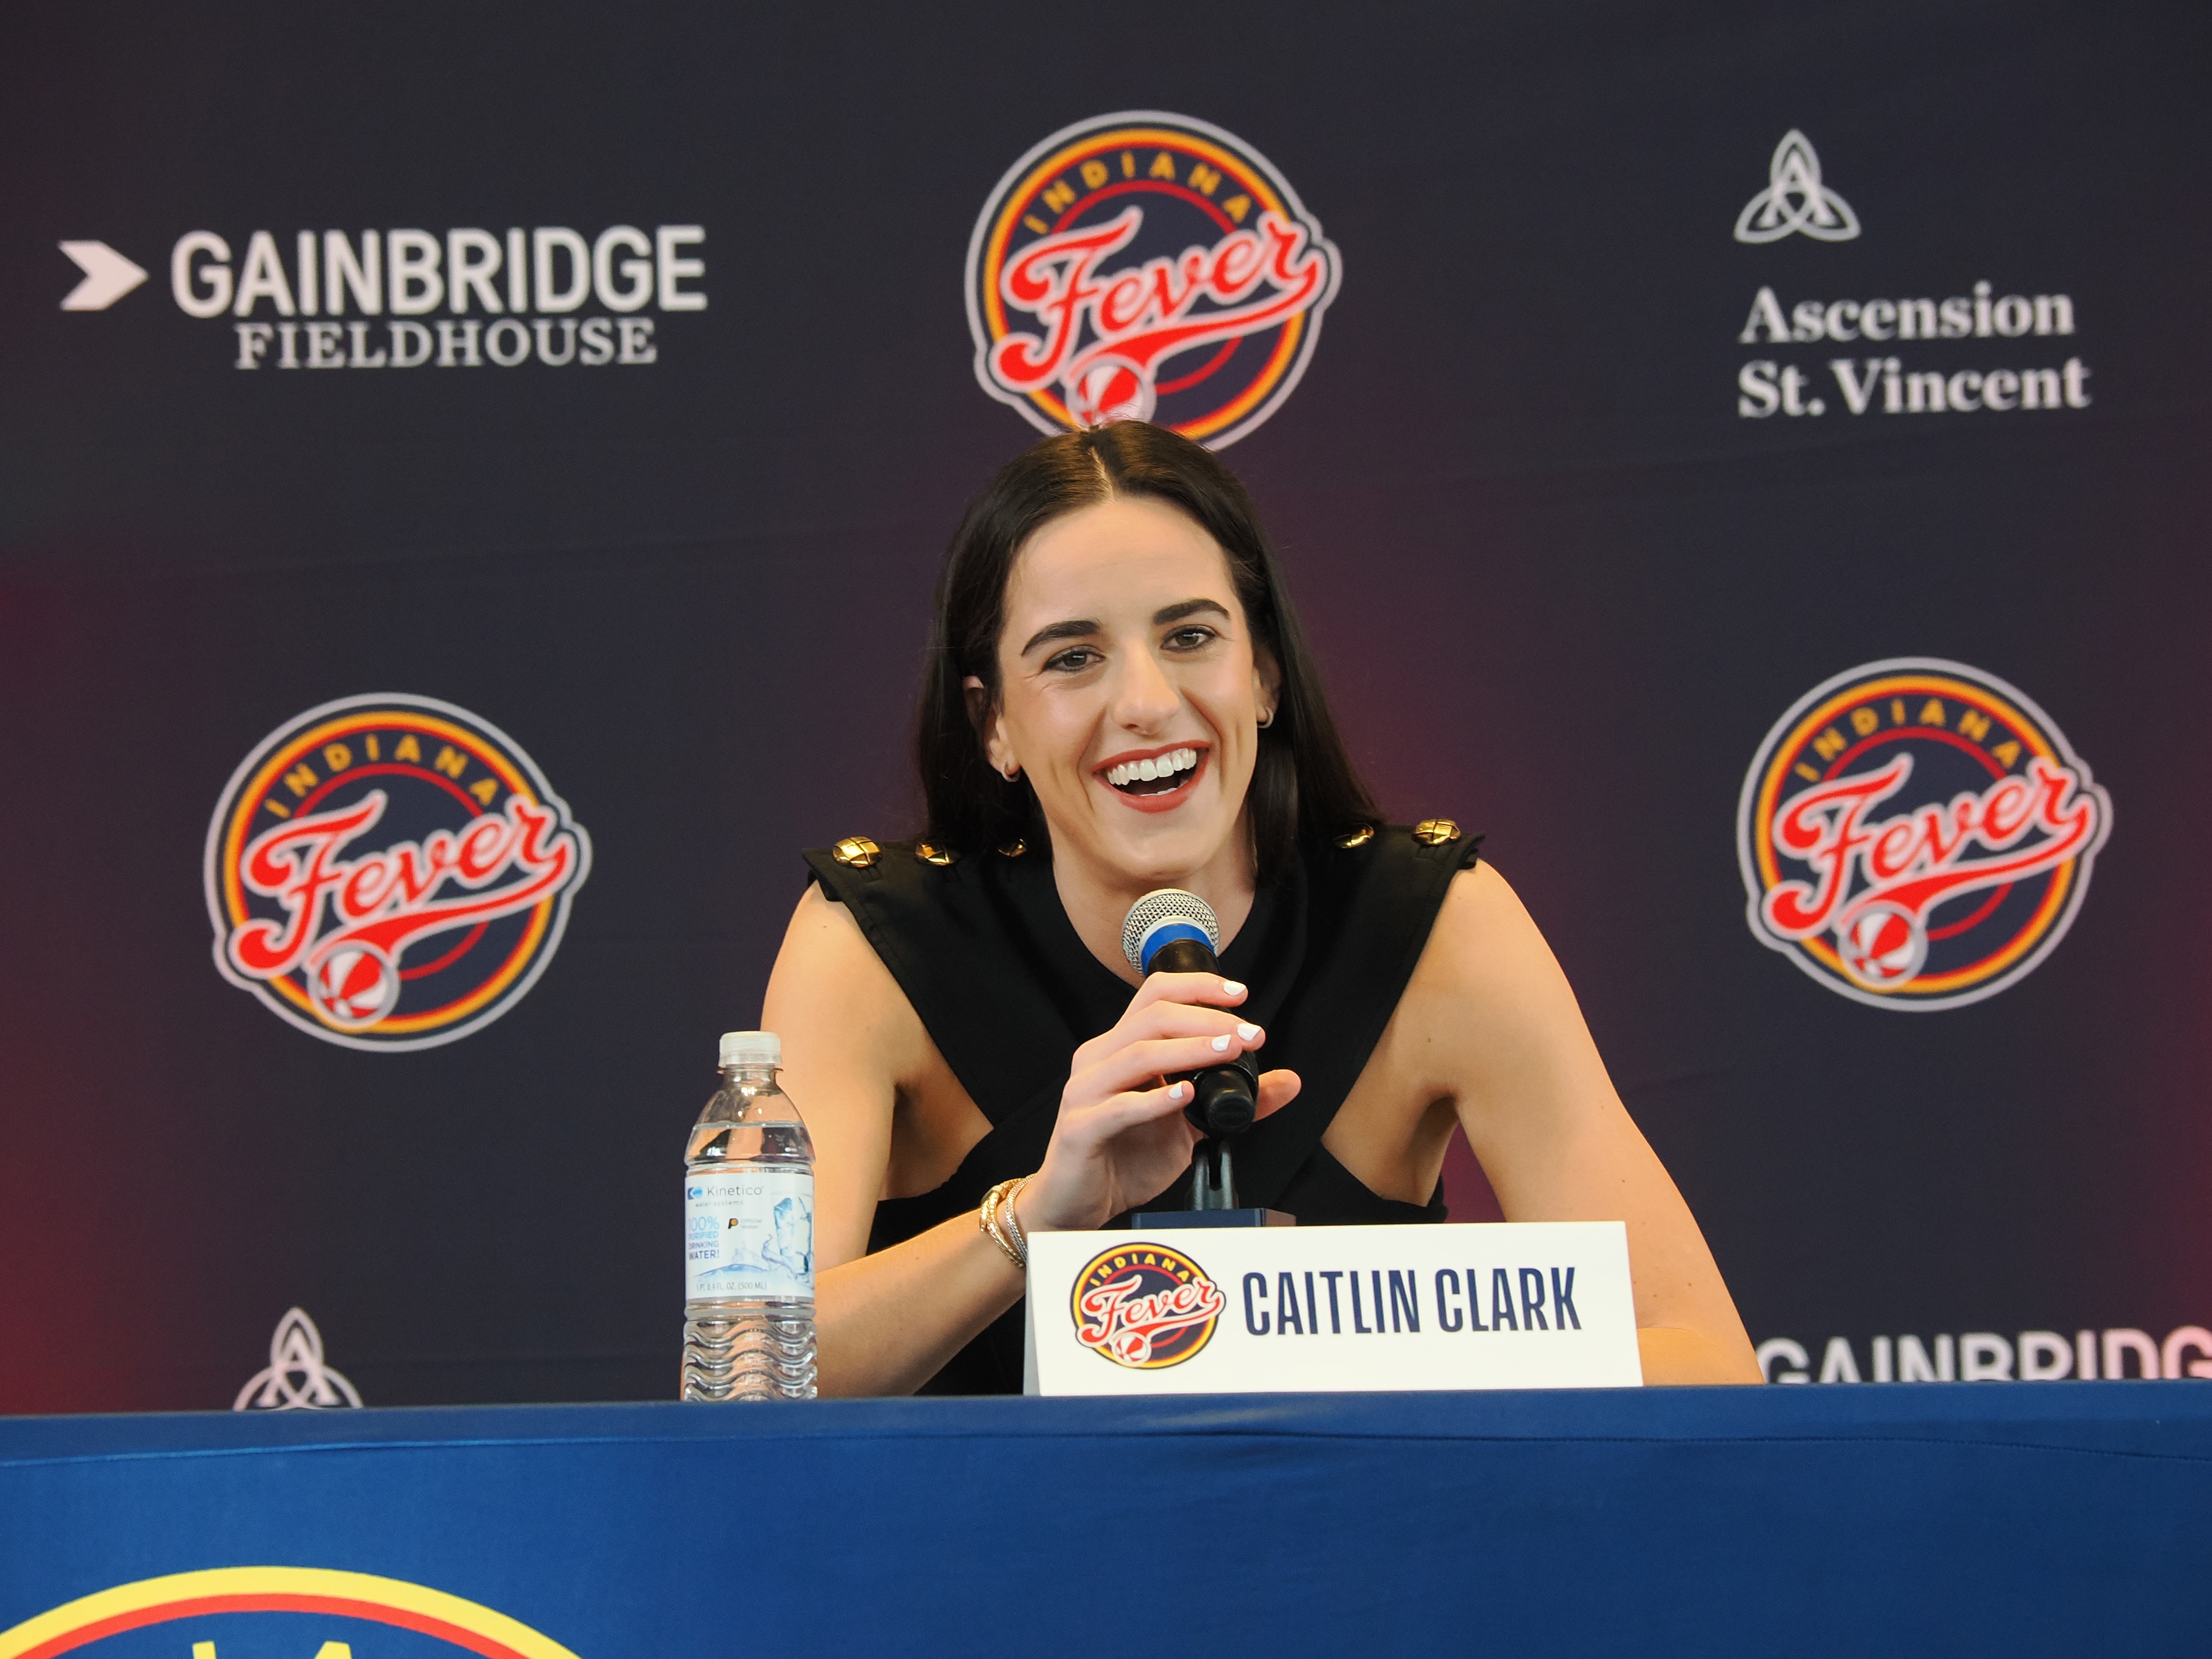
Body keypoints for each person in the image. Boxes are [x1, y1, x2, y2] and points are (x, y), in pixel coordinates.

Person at [762, 421, 1761, 1394]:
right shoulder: (873, 947)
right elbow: (746, 1386)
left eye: (1191, 636)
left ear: (1266, 675)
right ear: (994, 728)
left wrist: (1299, 1336)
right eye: (1072, 657)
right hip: (984, 1559)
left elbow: (1704, 1363)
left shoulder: (1429, 926)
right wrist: (1032, 1224)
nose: (1146, 701)